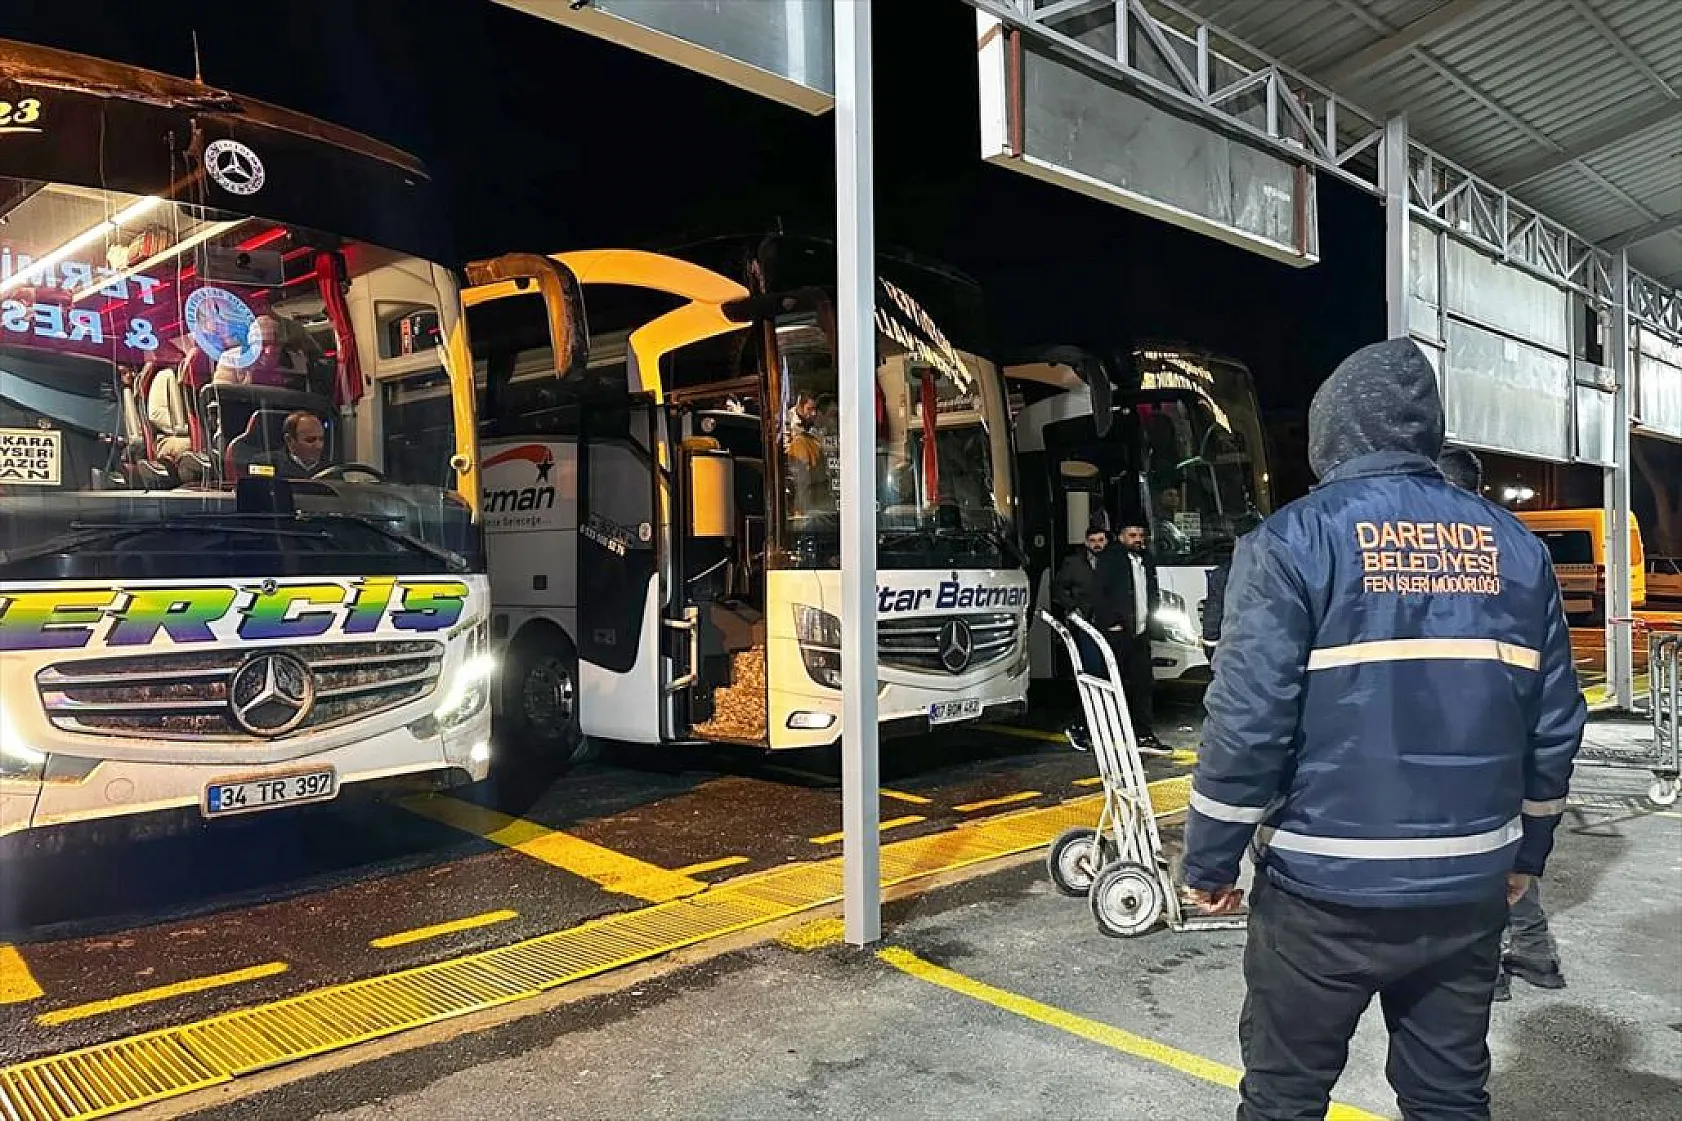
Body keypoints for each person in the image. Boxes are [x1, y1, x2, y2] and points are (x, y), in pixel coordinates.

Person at [1182, 337, 1586, 1121]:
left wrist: (1211, 858)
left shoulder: (1293, 541)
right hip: (1468, 889)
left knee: (1284, 1096)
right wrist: (1526, 855)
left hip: (1322, 889)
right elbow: (1555, 725)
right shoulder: (1518, 550)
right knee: (1447, 1095)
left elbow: (1248, 720)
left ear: (1332, 431)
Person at [1439, 446, 1568, 1003]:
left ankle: (1487, 971)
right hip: (1511, 735)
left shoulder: (1434, 556)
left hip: (1460, 738)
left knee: (1475, 860)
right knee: (1510, 849)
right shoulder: (1518, 549)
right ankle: (1535, 953)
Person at [254, 411, 329, 479]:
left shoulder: (331, 469)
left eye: (321, 439)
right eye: (310, 440)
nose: (319, 446)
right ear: (289, 440)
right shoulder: (265, 464)